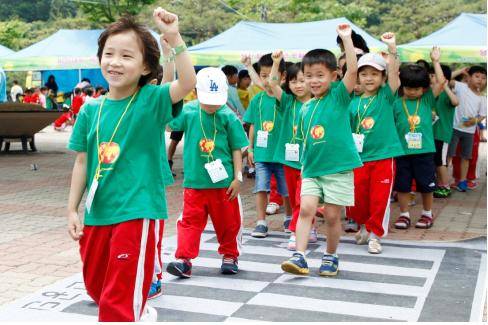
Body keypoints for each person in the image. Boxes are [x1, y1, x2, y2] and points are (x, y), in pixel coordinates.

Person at [66, 9, 196, 322]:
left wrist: (174, 38)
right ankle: (134, 310)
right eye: (109, 54)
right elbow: (83, 161)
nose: (115, 62)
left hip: (138, 210)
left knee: (118, 298)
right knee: (97, 286)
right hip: (98, 212)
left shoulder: (150, 100)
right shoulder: (89, 110)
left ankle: (129, 311)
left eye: (126, 56)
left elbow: (187, 81)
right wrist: (72, 209)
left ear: (145, 66)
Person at [281, 24, 361, 276]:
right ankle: (300, 256)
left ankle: (331, 255)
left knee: (333, 216)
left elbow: (353, 70)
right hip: (312, 169)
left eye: (319, 75)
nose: (313, 81)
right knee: (305, 209)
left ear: (334, 76)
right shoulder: (305, 108)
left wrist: (347, 39)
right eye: (308, 75)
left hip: (338, 168)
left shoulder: (338, 96)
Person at [165, 67, 248, 278]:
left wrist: (238, 178)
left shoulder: (228, 116)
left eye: (216, 100)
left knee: (229, 222)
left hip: (224, 184)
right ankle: (183, 259)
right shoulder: (189, 111)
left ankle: (230, 255)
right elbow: (167, 125)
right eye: (207, 99)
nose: (212, 104)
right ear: (196, 92)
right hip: (195, 182)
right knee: (190, 222)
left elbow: (237, 148)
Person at [345, 33, 403, 254]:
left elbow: (395, 74)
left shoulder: (386, 96)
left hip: (383, 157)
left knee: (380, 198)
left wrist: (392, 47)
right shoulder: (352, 103)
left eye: (374, 74)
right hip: (358, 159)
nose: (369, 78)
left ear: (382, 77)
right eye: (364, 74)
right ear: (358, 77)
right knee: (358, 199)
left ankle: (375, 235)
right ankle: (363, 226)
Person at [267, 51, 318, 250]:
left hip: (311, 161)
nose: (298, 85)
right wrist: (276, 62)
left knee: (302, 197)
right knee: (294, 195)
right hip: (289, 160)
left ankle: (297, 231)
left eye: (302, 80)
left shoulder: (318, 103)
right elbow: (272, 83)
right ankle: (309, 227)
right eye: (293, 81)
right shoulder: (287, 103)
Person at [392, 53, 444, 231]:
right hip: (402, 152)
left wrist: (435, 62)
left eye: (417, 88)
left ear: (424, 89)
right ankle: (404, 214)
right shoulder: (396, 103)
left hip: (424, 152)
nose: (412, 91)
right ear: (402, 86)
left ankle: (427, 213)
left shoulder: (427, 100)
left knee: (426, 185)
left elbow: (441, 83)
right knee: (402, 185)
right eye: (408, 88)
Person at [243, 53, 292, 238]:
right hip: (262, 155)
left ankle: (289, 217)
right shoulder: (257, 100)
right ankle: (261, 222)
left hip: (283, 154)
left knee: (286, 190)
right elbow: (253, 125)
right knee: (261, 187)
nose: (266, 79)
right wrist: (251, 148)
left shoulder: (286, 98)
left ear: (283, 76)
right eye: (262, 75)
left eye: (270, 75)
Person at [447, 66, 487, 192]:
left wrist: (474, 121)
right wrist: (460, 71)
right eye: (477, 76)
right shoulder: (461, 87)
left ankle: (462, 181)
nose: (480, 80)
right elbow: (445, 79)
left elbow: (482, 115)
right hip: (454, 128)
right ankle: (444, 181)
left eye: (484, 78)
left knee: (466, 157)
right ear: (469, 78)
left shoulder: (483, 98)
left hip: (469, 132)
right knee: (449, 155)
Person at [430, 55, 459, 198]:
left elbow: (455, 101)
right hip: (430, 135)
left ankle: (445, 186)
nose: (431, 78)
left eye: (434, 75)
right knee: (435, 161)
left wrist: (446, 87)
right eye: (431, 75)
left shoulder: (447, 95)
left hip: (442, 134)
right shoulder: (430, 94)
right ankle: (439, 184)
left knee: (441, 162)